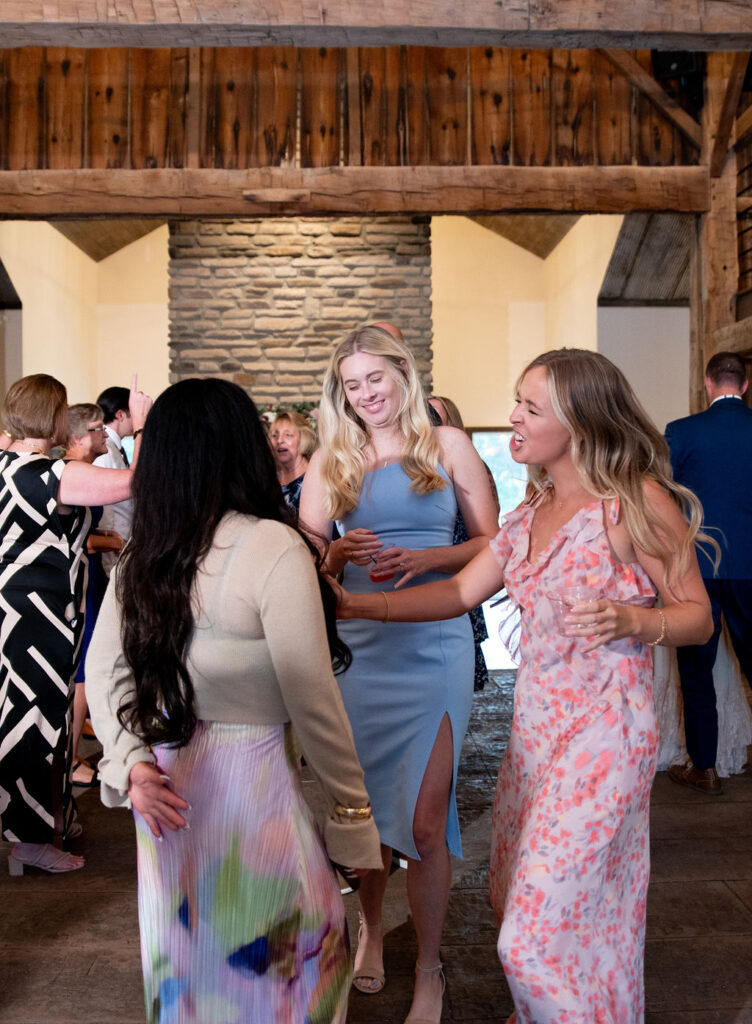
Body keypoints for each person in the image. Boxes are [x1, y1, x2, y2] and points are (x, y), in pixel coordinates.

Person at [336, 348, 713, 1024]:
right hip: (535, 738)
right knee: (516, 899)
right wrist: (358, 606)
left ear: (580, 419)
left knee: (529, 941)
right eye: (517, 400)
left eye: (530, 407)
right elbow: (457, 591)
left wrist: (634, 618)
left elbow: (697, 617)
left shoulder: (635, 501)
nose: (512, 416)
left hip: (605, 740)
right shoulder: (531, 508)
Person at [85, 378, 381, 1024]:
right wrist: (354, 818)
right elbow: (313, 697)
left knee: (192, 973)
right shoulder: (272, 546)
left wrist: (131, 763)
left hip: (164, 791)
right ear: (241, 449)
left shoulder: (145, 556)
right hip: (253, 790)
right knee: (293, 967)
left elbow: (106, 672)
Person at [299, 325, 499, 1024]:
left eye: (374, 380)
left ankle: (432, 967)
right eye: (351, 386)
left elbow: (491, 546)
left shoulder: (448, 447)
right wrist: (335, 552)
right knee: (369, 817)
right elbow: (310, 564)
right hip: (359, 647)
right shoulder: (332, 457)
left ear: (403, 375)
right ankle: (372, 929)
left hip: (433, 645)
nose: (365, 395)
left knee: (424, 814)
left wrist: (428, 560)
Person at [0, 373, 150, 875]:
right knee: (37, 725)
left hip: (15, 612)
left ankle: (49, 821)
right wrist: (141, 428)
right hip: (39, 617)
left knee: (32, 720)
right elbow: (139, 482)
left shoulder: (5, 465)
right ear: (54, 416)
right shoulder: (51, 475)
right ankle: (29, 841)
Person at [665, 351, 752, 795]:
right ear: (746, 384)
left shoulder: (681, 432)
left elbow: (664, 503)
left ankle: (706, 768)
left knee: (696, 668)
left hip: (696, 566)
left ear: (708, 383)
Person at [64, 403, 125, 788]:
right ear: (75, 437)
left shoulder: (86, 470)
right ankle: (68, 760)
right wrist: (113, 541)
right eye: (97, 428)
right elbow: (74, 539)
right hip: (77, 579)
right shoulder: (68, 475)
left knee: (89, 665)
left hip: (92, 577)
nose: (104, 434)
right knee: (82, 669)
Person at [429, 393, 501, 691]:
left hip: (463, 565)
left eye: (435, 415)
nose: (427, 421)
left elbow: (490, 529)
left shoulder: (468, 462)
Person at [94, 385, 135, 577]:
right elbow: (106, 509)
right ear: (120, 415)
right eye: (134, 413)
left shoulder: (114, 447)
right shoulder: (106, 451)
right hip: (112, 550)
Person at [270, 409, 317, 515]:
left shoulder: (315, 479)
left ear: (304, 438)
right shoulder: (270, 482)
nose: (279, 440)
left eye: (288, 435)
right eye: (275, 435)